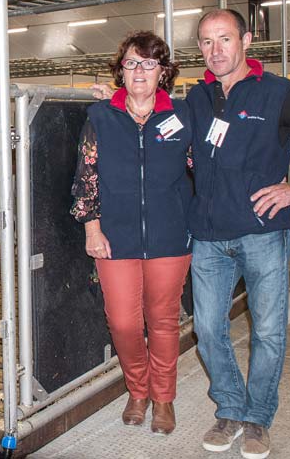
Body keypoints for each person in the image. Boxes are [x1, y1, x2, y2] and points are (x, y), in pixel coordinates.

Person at [185, 9, 290, 459]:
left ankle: (258, 418)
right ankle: (231, 408)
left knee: (269, 332)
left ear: (246, 40)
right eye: (206, 41)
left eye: (224, 39)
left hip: (262, 234)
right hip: (207, 236)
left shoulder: (278, 92)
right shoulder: (196, 97)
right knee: (207, 327)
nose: (215, 50)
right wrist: (116, 96)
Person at [71, 31, 192, 436]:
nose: (139, 70)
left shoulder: (183, 116)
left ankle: (162, 398)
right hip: (115, 238)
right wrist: (92, 228)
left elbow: (201, 169)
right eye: (131, 63)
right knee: (122, 322)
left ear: (163, 71)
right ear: (120, 70)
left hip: (170, 238)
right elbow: (86, 175)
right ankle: (136, 388)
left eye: (148, 63)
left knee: (163, 321)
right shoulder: (102, 116)